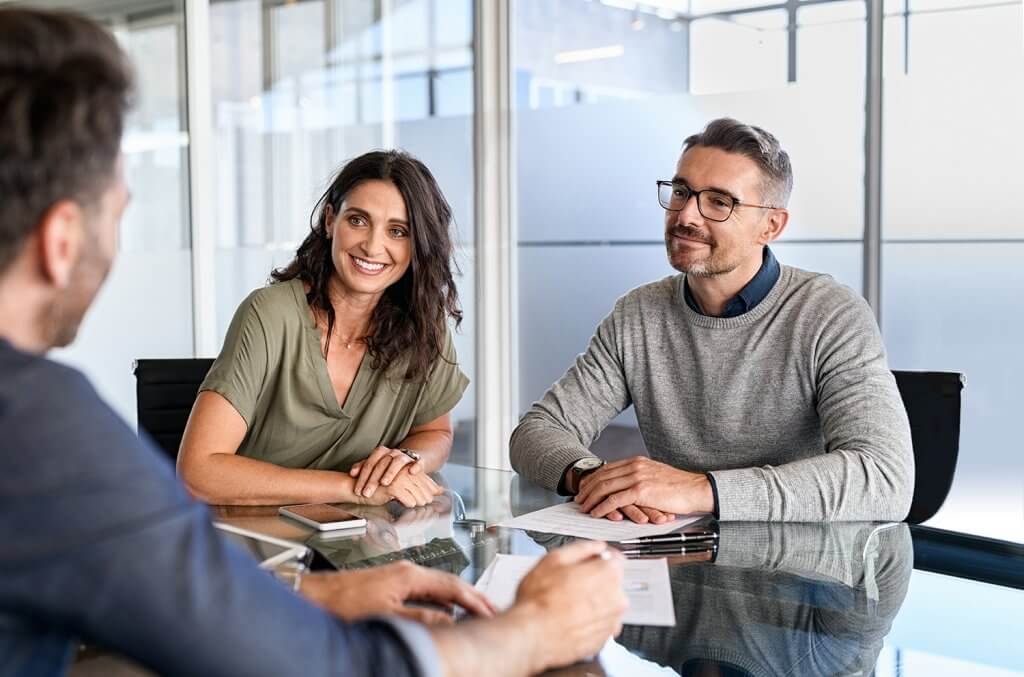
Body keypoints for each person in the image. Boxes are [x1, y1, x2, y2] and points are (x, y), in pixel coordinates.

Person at [0, 8, 627, 677]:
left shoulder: (35, 430)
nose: (374, 244)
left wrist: (321, 583)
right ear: (62, 239)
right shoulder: (36, 427)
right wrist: (530, 631)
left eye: (398, 230)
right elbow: (318, 661)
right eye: (120, 213)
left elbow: (160, 599)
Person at [510, 118, 914, 523]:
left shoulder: (829, 314)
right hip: (675, 557)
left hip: (804, 569)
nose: (686, 215)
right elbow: (536, 432)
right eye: (682, 191)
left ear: (770, 225)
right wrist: (593, 478)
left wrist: (699, 489)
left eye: (720, 202)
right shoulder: (637, 314)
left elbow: (883, 478)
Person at [178, 149, 469, 507]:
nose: (373, 245)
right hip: (255, 544)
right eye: (358, 220)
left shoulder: (424, 324)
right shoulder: (269, 314)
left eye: (397, 231)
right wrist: (354, 490)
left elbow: (434, 431)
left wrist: (407, 461)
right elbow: (198, 472)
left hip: (360, 546)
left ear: (417, 244)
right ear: (331, 221)